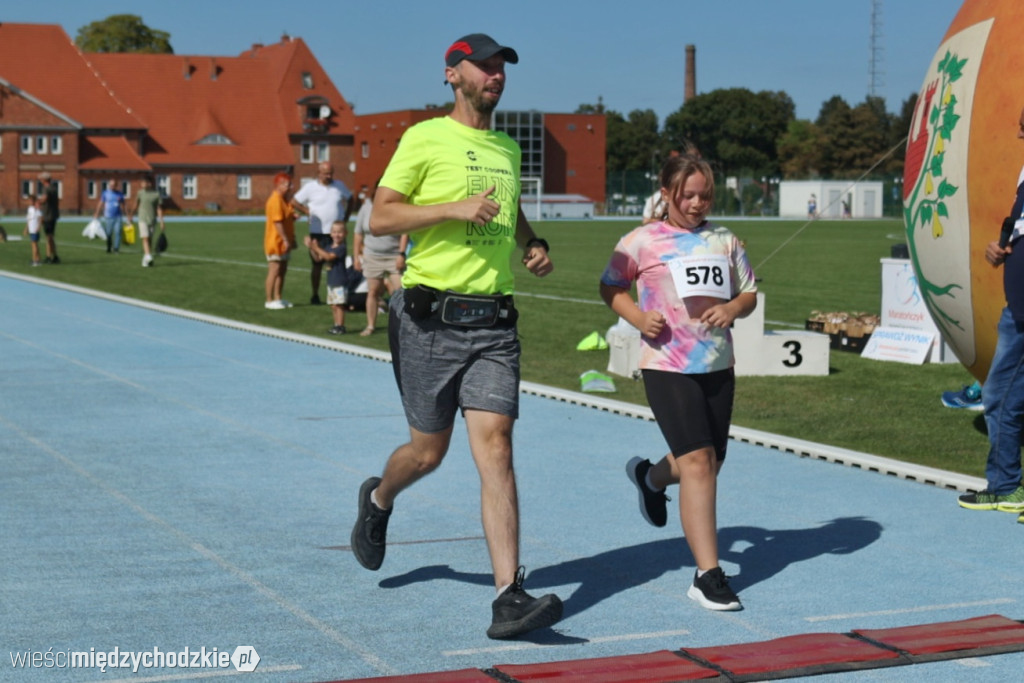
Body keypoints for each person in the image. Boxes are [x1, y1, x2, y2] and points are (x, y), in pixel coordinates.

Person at [350, 32, 563, 640]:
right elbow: (382, 214)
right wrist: (450, 208)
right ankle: (380, 500)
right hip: (428, 321)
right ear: (452, 74)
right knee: (428, 453)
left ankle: (508, 596)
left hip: (494, 323)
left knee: (495, 445)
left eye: (502, 68)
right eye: (485, 66)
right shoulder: (424, 139)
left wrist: (532, 244)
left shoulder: (504, 146)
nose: (496, 75)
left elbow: (509, 206)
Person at [600, 154, 758, 611]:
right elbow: (610, 286)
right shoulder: (640, 240)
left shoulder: (725, 240)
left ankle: (650, 478)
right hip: (666, 363)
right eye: (686, 195)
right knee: (699, 464)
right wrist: (636, 316)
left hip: (717, 364)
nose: (696, 203)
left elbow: (748, 292)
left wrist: (732, 309)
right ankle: (708, 575)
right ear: (666, 193)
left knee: (708, 462)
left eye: (704, 195)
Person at [957, 105, 1024, 521]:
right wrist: (1000, 250)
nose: (1019, 135)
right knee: (1003, 396)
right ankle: (1006, 486)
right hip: (1015, 306)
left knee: (999, 394)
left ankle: (1005, 485)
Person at [290, 162, 354, 305]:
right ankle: (315, 294)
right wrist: (306, 211)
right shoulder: (310, 187)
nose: (329, 176)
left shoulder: (339, 185)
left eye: (331, 173)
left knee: (338, 264)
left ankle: (341, 295)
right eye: (326, 173)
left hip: (336, 234)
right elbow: (294, 201)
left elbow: (350, 199)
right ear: (318, 173)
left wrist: (346, 218)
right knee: (317, 264)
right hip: (317, 232)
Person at [352, 179, 407, 335]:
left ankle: (403, 325)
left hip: (393, 256)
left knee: (400, 290)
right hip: (372, 256)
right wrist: (356, 256)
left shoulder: (397, 206)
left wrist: (401, 254)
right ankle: (370, 326)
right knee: (373, 292)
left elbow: (405, 231)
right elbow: (358, 233)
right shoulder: (366, 207)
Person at [305, 221, 349, 334]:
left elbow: (329, 257)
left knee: (339, 305)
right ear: (330, 233)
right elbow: (318, 259)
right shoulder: (329, 246)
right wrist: (311, 247)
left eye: (340, 232)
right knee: (333, 305)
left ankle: (340, 326)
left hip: (339, 280)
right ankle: (336, 324)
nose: (337, 235)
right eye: (334, 232)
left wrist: (316, 247)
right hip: (331, 280)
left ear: (345, 234)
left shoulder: (341, 248)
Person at [264, 172, 297, 310]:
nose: (289, 187)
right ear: (278, 185)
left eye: (289, 184)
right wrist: (285, 239)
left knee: (283, 270)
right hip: (275, 241)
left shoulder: (284, 199)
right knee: (275, 269)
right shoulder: (276, 200)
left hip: (285, 241)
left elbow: (286, 217)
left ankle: (278, 297)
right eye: (286, 184)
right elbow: (277, 223)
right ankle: (269, 299)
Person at [128, 175, 165, 267]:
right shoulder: (140, 193)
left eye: (144, 182)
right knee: (145, 237)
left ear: (150, 183)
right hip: (142, 218)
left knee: (150, 239)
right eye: (142, 182)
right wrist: (131, 215)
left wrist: (161, 221)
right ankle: (148, 255)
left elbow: (159, 208)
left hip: (152, 219)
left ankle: (146, 259)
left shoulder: (156, 194)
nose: (142, 184)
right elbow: (136, 204)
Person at [94, 178, 127, 254]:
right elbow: (101, 203)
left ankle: (116, 249)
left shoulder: (120, 194)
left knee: (118, 232)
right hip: (108, 216)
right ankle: (109, 247)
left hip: (118, 216)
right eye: (110, 185)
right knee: (108, 233)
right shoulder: (105, 193)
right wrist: (97, 213)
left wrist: (127, 214)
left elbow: (123, 204)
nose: (112, 186)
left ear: (116, 185)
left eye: (113, 185)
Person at [38, 172, 61, 264]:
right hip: (53, 214)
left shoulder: (46, 189)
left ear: (44, 180)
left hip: (48, 215)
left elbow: (44, 199)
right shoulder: (54, 188)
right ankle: (52, 256)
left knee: (49, 236)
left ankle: (51, 256)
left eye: (41, 179)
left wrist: (37, 201)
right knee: (50, 236)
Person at [24, 194, 42, 266]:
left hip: (34, 229)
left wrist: (38, 227)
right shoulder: (30, 209)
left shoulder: (36, 209)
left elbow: (40, 218)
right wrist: (26, 228)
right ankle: (37, 259)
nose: (30, 202)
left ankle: (35, 260)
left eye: (31, 200)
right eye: (29, 200)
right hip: (31, 229)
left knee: (34, 245)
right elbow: (29, 219)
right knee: (33, 245)